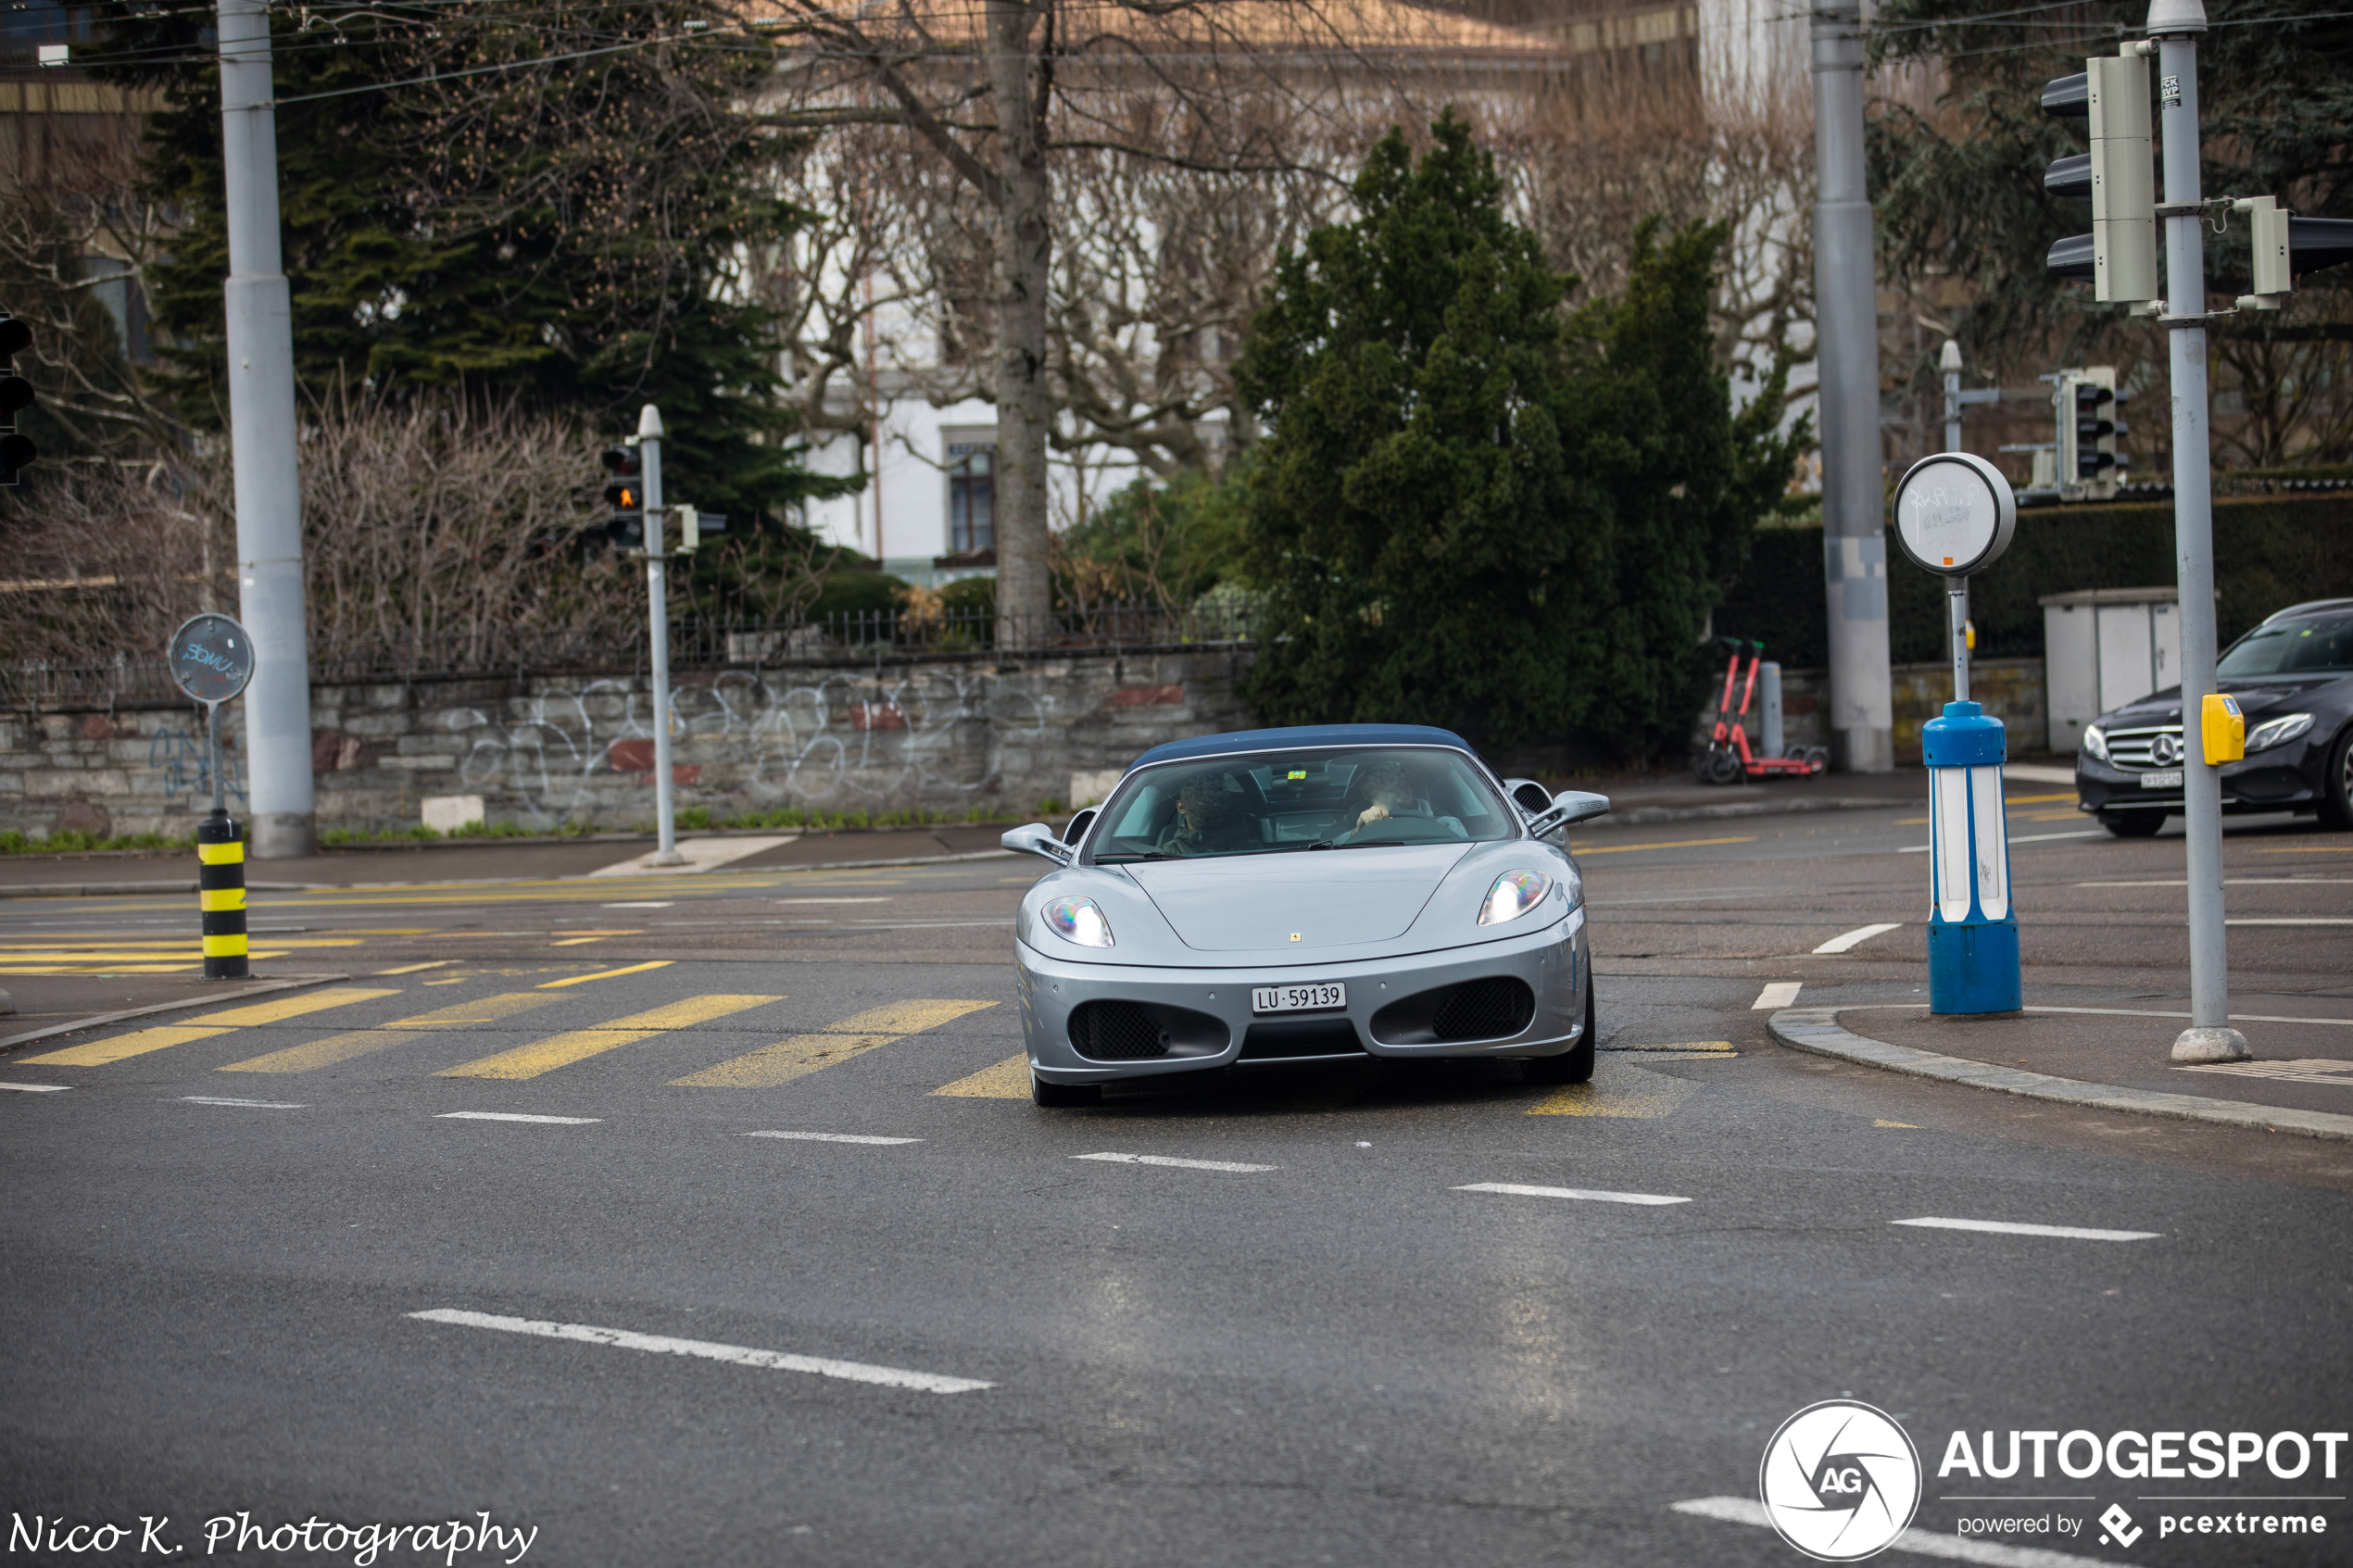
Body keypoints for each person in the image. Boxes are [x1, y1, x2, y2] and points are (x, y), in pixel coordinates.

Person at [1155, 775, 1255, 856]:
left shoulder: (1248, 848)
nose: (1206, 807)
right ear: (1181, 807)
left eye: (1213, 801)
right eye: (1198, 801)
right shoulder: (1166, 854)